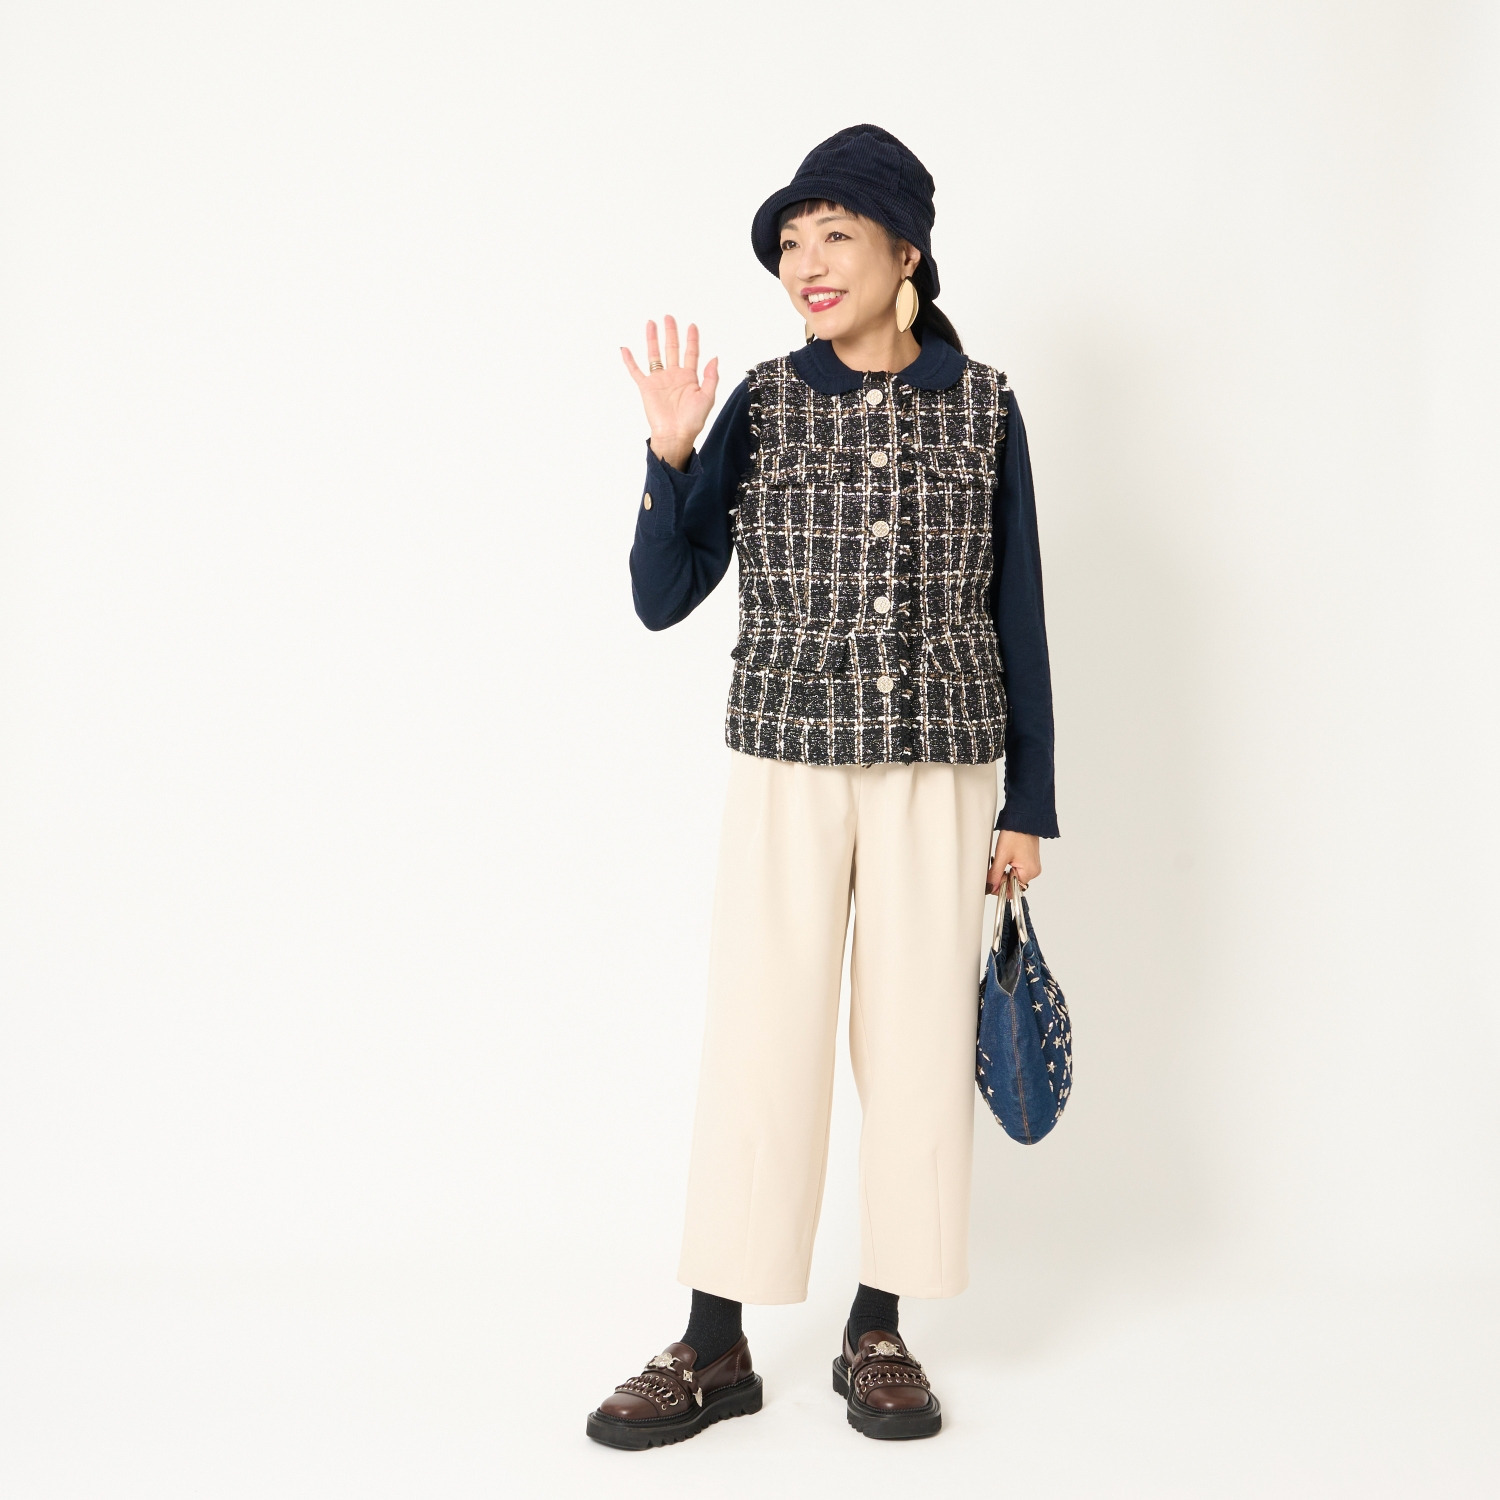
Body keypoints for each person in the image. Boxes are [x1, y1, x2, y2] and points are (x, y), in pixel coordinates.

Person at [586, 124, 1059, 1450]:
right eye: (791, 243)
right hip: (788, 765)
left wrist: (1030, 804)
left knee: (915, 1045)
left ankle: (879, 1327)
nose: (807, 262)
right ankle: (715, 1340)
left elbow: (1020, 607)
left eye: (835, 234)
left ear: (906, 252)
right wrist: (670, 457)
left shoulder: (986, 404)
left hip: (941, 771)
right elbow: (663, 597)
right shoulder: (764, 399)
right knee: (761, 1036)